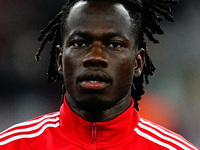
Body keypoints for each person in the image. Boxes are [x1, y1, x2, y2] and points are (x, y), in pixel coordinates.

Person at [0, 0, 199, 149]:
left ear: (138, 63)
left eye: (114, 44)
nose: (95, 57)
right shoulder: (12, 145)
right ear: (60, 60)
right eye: (80, 43)